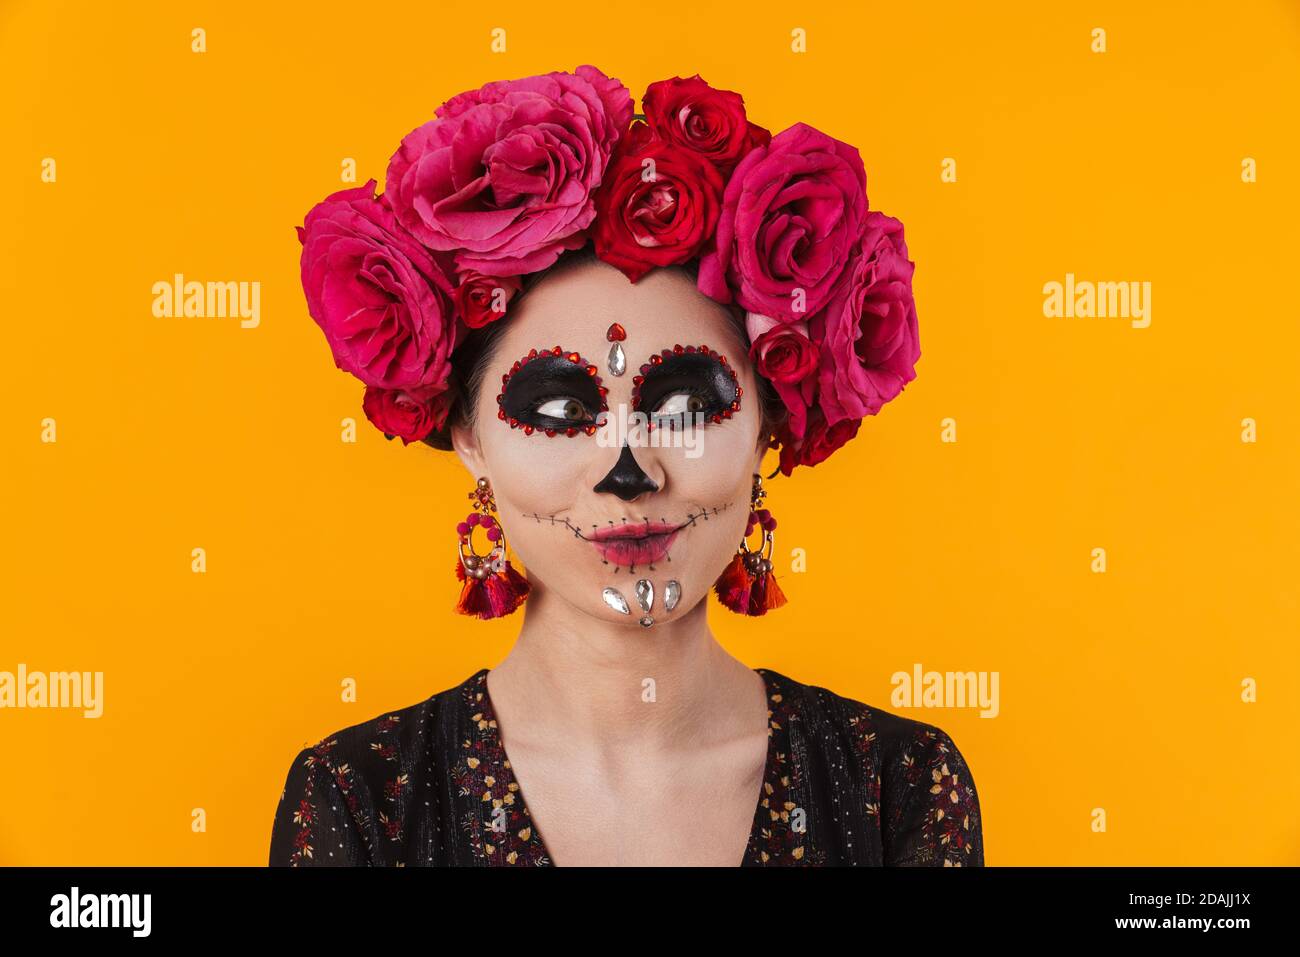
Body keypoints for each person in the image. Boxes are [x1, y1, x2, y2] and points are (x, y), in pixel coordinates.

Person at [270, 66, 983, 866]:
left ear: (766, 425)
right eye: (560, 411)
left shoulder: (899, 787)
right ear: (468, 435)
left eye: (682, 407)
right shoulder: (360, 801)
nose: (628, 469)